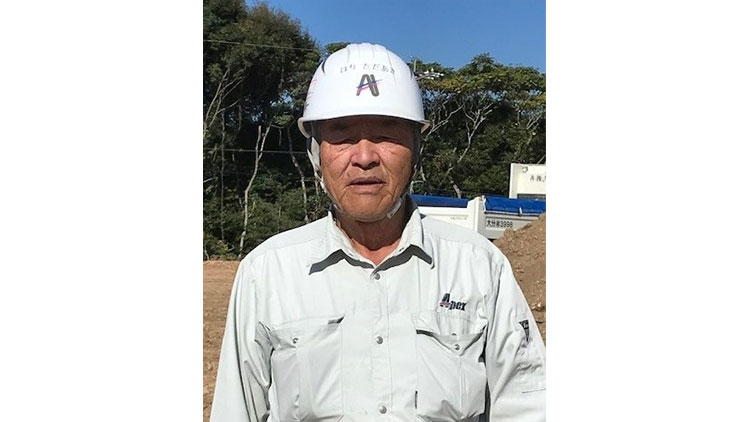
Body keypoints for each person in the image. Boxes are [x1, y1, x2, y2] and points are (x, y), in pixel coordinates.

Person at [210, 43, 546, 422]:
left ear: (416, 149)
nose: (365, 157)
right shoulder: (268, 272)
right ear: (315, 153)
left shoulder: (479, 266)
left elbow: (528, 406)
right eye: (343, 136)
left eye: (386, 135)